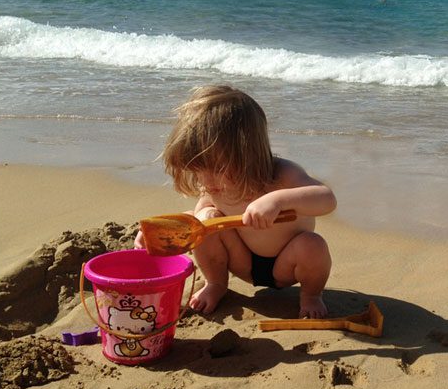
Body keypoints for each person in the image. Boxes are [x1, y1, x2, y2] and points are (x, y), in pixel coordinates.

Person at [135, 85, 336, 318]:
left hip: (288, 264)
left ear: (248, 154)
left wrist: (278, 200)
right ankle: (216, 283)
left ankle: (311, 295)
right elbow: (196, 223)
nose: (207, 182)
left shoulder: (281, 175)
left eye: (218, 169)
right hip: (243, 263)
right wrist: (158, 233)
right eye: (199, 170)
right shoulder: (214, 187)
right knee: (205, 219)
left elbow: (327, 199)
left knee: (313, 245)